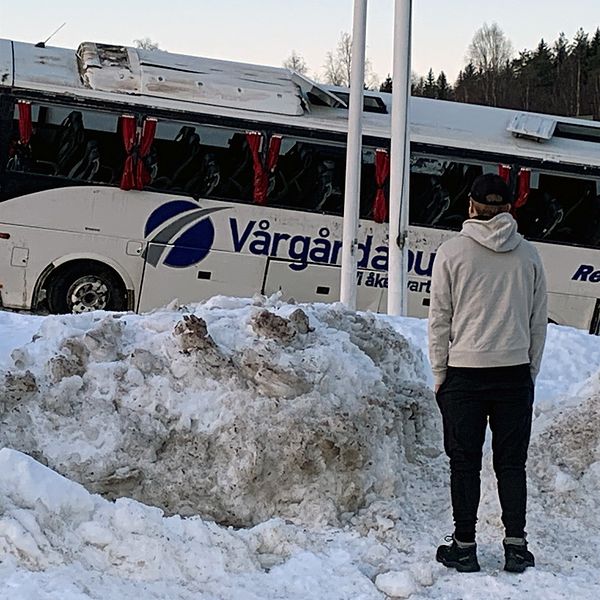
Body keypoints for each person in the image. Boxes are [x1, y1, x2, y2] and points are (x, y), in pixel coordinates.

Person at [428, 173, 547, 573]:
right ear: (509, 207)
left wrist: (439, 374)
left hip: (465, 374)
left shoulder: (452, 252)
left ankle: (464, 547)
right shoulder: (528, 255)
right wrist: (528, 372)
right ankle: (516, 546)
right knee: (511, 464)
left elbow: (439, 319)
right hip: (513, 374)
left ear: (471, 206)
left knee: (464, 464)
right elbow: (537, 322)